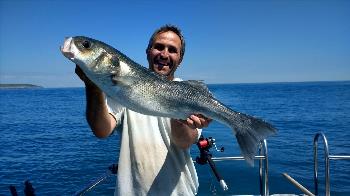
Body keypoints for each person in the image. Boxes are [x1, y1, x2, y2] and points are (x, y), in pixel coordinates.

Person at [75, 24, 212, 195]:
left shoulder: (190, 94)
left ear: (180, 58)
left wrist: (180, 116)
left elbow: (184, 142)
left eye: (172, 50)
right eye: (159, 47)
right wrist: (92, 85)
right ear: (148, 51)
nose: (164, 54)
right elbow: (101, 131)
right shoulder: (124, 89)